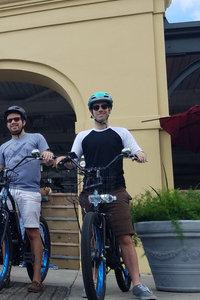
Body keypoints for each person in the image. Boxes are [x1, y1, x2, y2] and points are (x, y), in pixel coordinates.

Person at [54, 92, 156, 300]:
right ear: (91, 112)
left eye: (104, 106)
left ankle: (137, 283)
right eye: (96, 107)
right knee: (91, 239)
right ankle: (92, 282)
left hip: (115, 189)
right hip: (91, 189)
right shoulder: (83, 136)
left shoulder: (121, 132)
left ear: (109, 109)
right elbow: (74, 156)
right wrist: (64, 159)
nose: (100, 109)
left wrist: (138, 154)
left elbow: (135, 149)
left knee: (124, 237)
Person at [0, 106, 54, 293]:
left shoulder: (36, 138)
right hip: (9, 191)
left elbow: (48, 158)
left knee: (32, 232)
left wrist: (47, 155)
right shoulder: (4, 146)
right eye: (9, 120)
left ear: (23, 121)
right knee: (6, 234)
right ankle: (6, 275)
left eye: (16, 119)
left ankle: (36, 279)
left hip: (29, 191)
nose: (13, 122)